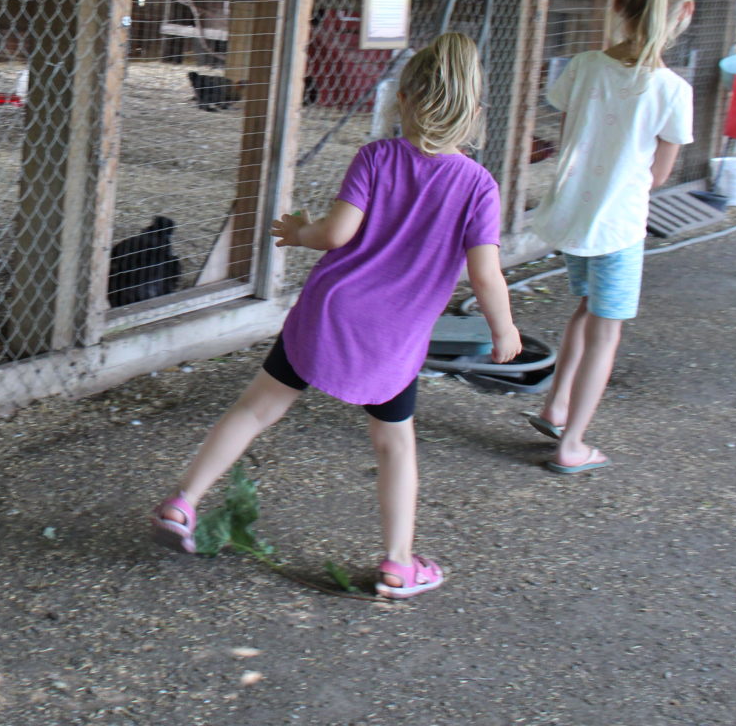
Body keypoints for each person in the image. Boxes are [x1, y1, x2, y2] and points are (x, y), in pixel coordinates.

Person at [151, 32, 520, 599]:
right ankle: (398, 563)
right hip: (392, 339)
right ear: (475, 113)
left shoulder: (377, 157)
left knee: (255, 410)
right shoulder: (478, 187)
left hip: (328, 314)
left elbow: (337, 234)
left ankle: (184, 502)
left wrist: (298, 232)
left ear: (404, 101)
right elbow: (485, 274)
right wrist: (504, 329)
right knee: (394, 444)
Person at [525, 0, 694, 474]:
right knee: (608, 327)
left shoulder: (583, 67)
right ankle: (572, 443)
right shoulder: (672, 90)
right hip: (618, 226)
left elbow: (576, 131)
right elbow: (659, 176)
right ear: (684, 12)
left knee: (586, 308)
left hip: (574, 216)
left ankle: (555, 406)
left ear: (618, 6)